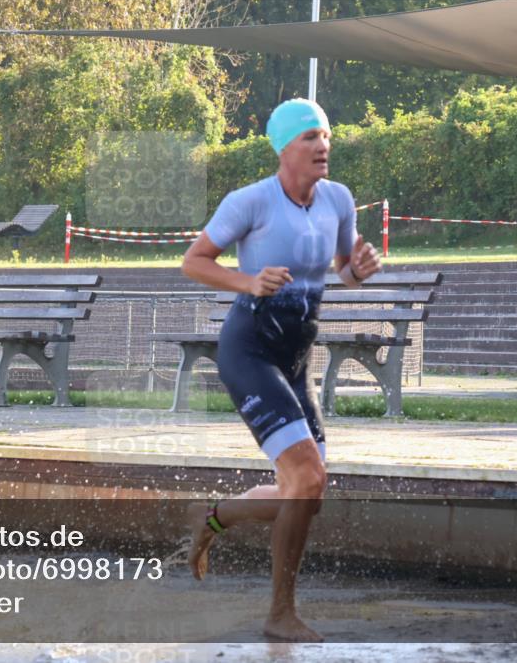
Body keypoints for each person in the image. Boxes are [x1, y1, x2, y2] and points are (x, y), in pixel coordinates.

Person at [181, 99, 381, 642]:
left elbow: (342, 268)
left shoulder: (338, 199)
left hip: (295, 357)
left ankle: (215, 516)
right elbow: (194, 261)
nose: (324, 147)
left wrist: (357, 270)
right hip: (249, 350)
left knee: (307, 493)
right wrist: (248, 281)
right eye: (311, 137)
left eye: (327, 136)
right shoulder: (251, 201)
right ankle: (279, 616)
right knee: (307, 477)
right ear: (284, 148)